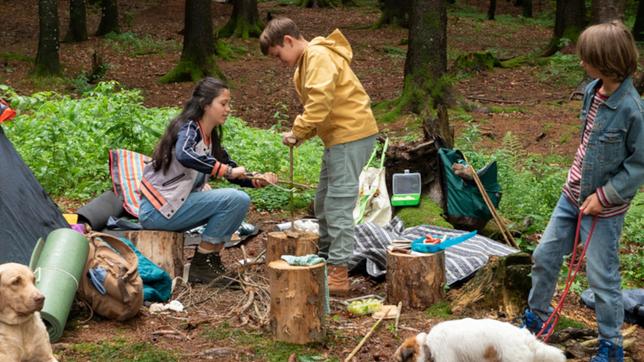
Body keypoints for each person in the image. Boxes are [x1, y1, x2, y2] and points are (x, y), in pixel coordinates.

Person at [522, 21, 643, 362]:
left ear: (606, 61)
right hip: (570, 196)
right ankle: (537, 318)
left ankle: (611, 345)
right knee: (544, 255)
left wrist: (603, 196)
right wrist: (578, 188)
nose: (580, 63)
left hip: (604, 208)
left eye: (585, 58)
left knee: (602, 279)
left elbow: (638, 166)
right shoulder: (592, 90)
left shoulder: (632, 109)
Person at [260, 18, 379, 295]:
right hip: (338, 137)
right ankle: (325, 260)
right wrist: (301, 134)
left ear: (288, 40)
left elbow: (320, 103)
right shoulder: (308, 61)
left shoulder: (318, 56)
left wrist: (297, 131)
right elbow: (325, 107)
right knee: (323, 201)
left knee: (337, 203)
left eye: (278, 55)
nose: (280, 62)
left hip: (350, 135)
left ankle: (338, 272)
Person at [138, 77, 277, 286]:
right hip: (157, 211)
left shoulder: (209, 136)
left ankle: (209, 262)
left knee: (239, 200)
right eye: (223, 103)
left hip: (172, 207)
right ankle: (202, 265)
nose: (228, 109)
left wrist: (256, 179)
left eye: (228, 103)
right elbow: (184, 154)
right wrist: (226, 171)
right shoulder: (188, 129)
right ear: (205, 104)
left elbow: (231, 169)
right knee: (235, 200)